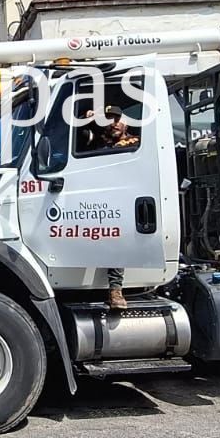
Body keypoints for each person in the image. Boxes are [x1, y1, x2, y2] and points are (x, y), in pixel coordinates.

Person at [84, 106, 142, 309]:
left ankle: (115, 290)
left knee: (116, 238)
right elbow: (81, 136)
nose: (115, 122)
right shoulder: (98, 141)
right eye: (110, 119)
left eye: (118, 118)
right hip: (99, 201)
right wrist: (89, 118)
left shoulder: (133, 142)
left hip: (124, 202)